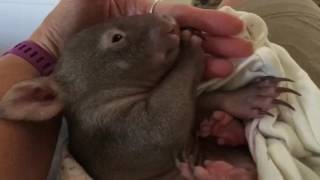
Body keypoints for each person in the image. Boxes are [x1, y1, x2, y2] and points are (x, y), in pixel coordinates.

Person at [0, 0, 253, 179]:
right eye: (118, 40)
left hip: (198, 155)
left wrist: (225, 101)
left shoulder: (106, 97)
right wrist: (189, 63)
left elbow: (181, 111)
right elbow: (160, 130)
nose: (168, 23)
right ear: (43, 98)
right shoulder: (97, 118)